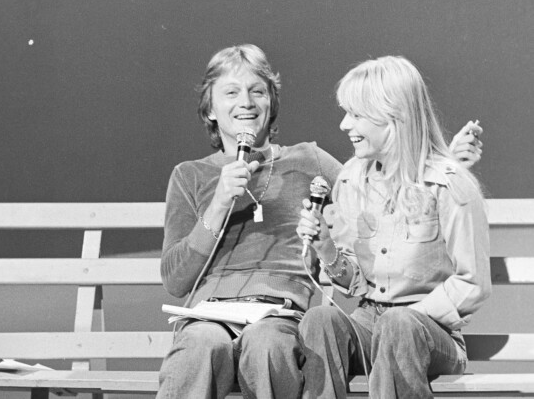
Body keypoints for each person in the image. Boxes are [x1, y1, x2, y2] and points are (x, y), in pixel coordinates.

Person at [157, 45, 484, 399]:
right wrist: (219, 203)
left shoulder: (309, 160)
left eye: (258, 91)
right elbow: (176, 280)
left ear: (272, 103)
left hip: (277, 314)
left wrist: (443, 164)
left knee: (269, 347)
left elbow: (384, 182)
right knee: (198, 347)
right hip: (209, 315)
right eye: (231, 92)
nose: (246, 102)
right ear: (210, 109)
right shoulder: (189, 176)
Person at [296, 56, 491, 399]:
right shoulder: (351, 180)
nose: (344, 125)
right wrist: (325, 247)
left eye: (356, 114)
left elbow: (472, 283)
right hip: (370, 320)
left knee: (397, 325)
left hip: (430, 331)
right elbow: (355, 282)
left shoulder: (449, 186)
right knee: (320, 321)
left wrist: (411, 315)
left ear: (393, 116)